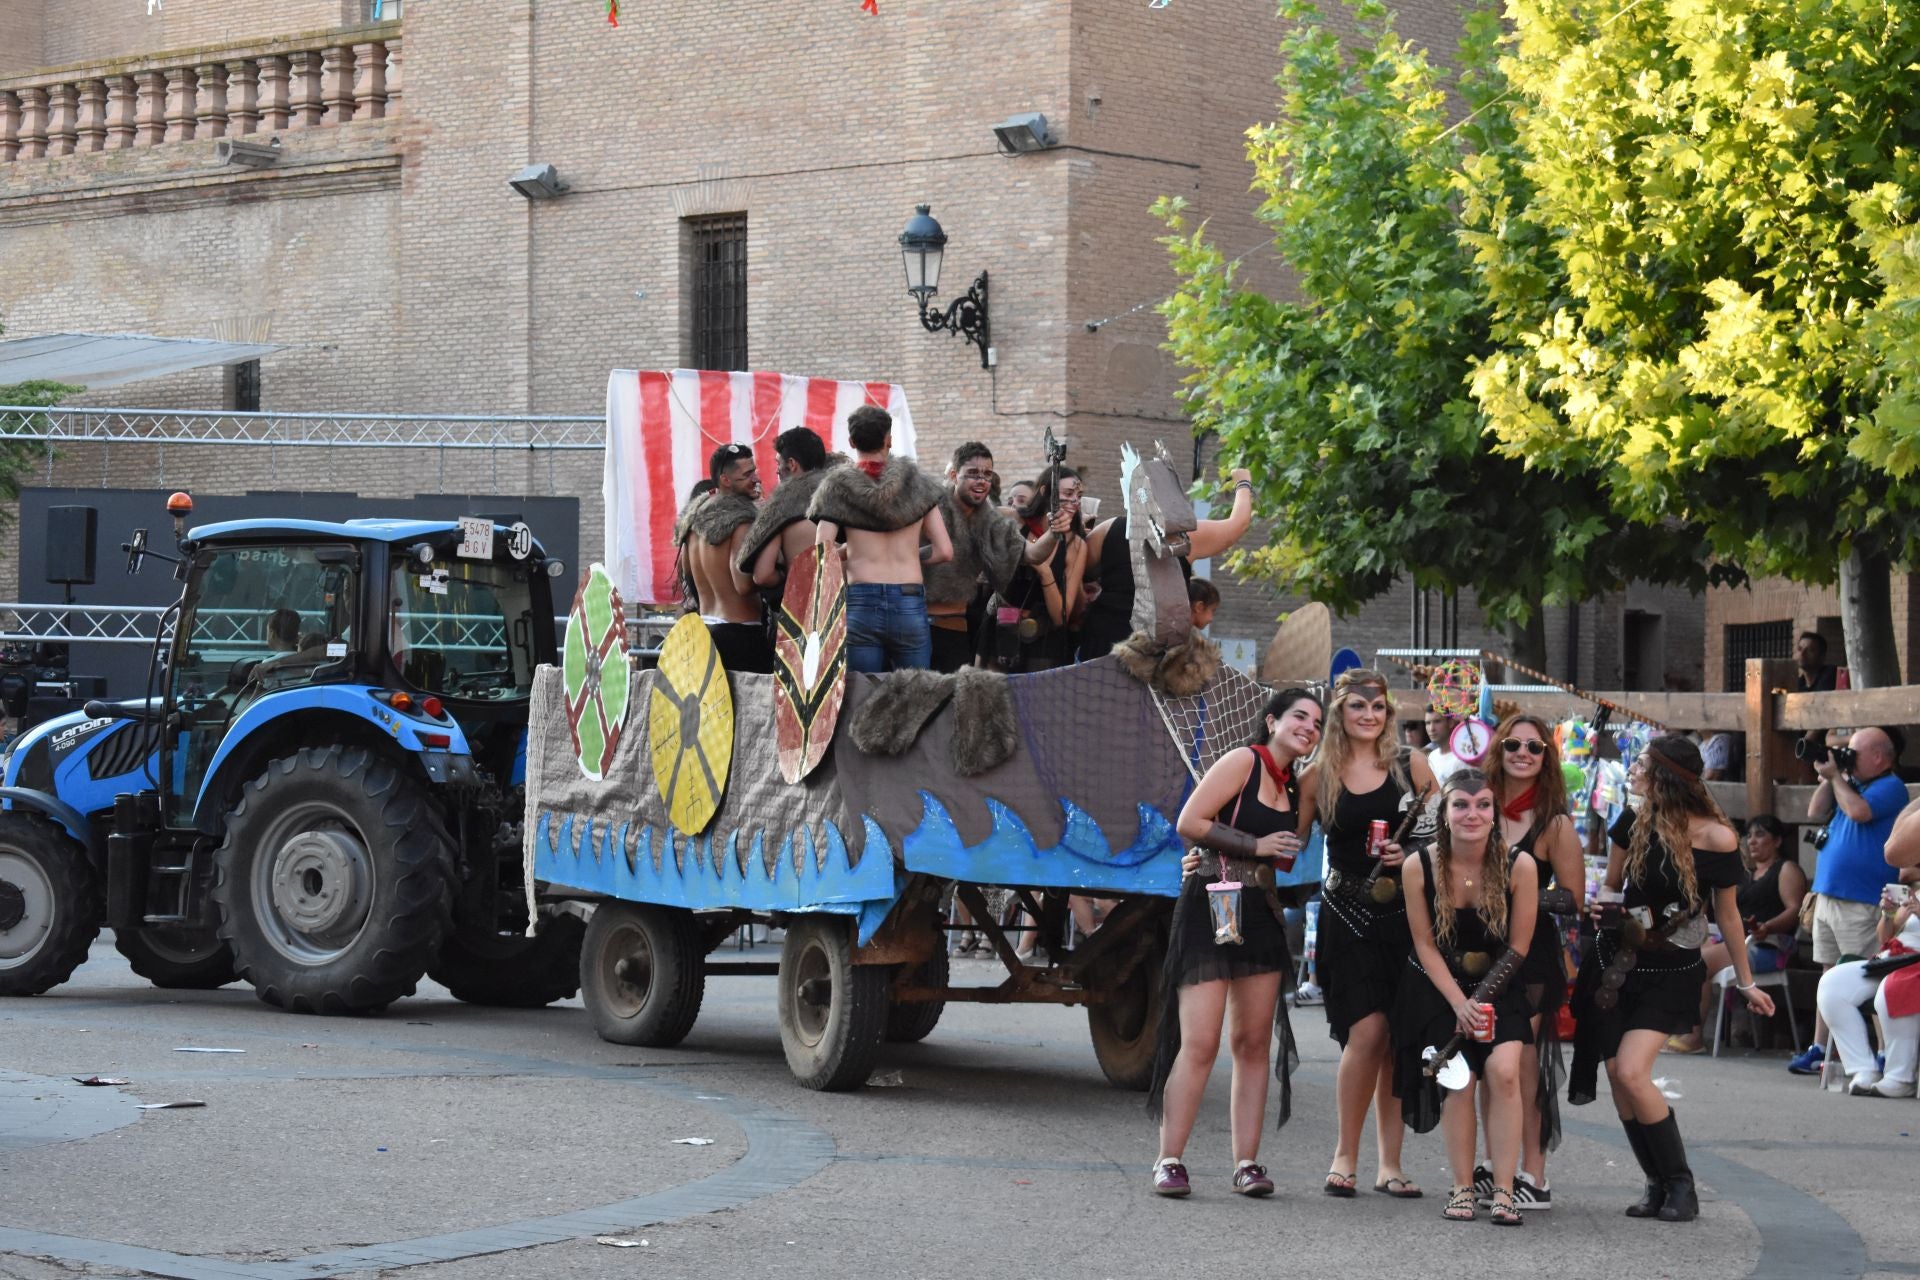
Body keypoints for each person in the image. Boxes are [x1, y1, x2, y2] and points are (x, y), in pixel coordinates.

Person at [1568, 735, 1774, 1223]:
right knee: (1619, 1075)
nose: (1632, 770)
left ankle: (1682, 1185)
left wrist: (1746, 982)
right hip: (1619, 963)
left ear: (1663, 774)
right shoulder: (1631, 821)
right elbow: (1614, 888)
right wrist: (1601, 904)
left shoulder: (1717, 837)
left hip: (1674, 969)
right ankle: (1656, 1182)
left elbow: (1728, 916)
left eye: (1639, 763)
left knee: (1634, 1071)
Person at [1150, 688, 1324, 1198]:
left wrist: (1278, 848)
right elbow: (1190, 821)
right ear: (1272, 720)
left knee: (1251, 1044)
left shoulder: (1295, 785)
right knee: (1199, 1042)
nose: (1308, 727)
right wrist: (1254, 845)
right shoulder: (1243, 761)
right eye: (1299, 716)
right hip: (1211, 904)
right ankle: (1169, 1159)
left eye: (1316, 722)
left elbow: (1287, 859)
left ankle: (1247, 1163)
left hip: (1261, 911)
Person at [1306, 668, 1435, 1201]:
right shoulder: (1319, 774)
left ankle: (1390, 1163)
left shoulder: (1411, 765)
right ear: (1340, 710)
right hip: (1347, 913)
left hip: (1404, 915)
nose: (1369, 715)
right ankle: (1344, 1154)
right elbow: (1284, 838)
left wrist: (1410, 853)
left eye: (1378, 707)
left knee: (1395, 1039)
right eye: (1358, 706)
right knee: (1367, 1034)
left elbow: (1450, 833)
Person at [1394, 770, 1538, 1226]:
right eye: (1461, 804)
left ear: (1495, 814)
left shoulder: (1520, 865)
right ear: (1445, 813)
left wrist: (1481, 1001)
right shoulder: (1418, 864)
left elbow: (1519, 946)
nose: (1472, 814)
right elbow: (1424, 944)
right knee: (1459, 1079)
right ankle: (1459, 1187)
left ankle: (1503, 1190)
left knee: (1504, 1073)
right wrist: (1460, 1004)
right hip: (1440, 988)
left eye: (1482, 805)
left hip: (1501, 982)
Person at [1471, 715, 1582, 1212]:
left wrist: (1521, 894)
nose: (1522, 753)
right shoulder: (1477, 806)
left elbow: (1573, 899)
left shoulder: (1554, 822)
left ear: (1546, 757)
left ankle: (1533, 1175)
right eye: (1513, 744)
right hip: (1476, 952)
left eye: (1534, 748)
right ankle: (1497, 1166)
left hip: (1531, 958)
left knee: (1522, 1065)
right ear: (1498, 748)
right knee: (1487, 1063)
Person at [1790, 726, 1908, 1075]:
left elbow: (1859, 813)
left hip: (1861, 899)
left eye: (1854, 753)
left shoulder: (1891, 786)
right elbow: (1814, 810)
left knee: (1869, 976)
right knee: (1828, 975)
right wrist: (1832, 775)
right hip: (1830, 895)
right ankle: (1819, 1048)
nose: (1848, 757)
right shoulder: (1849, 783)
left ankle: (1885, 1053)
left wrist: (1839, 779)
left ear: (1879, 757)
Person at [808, 405, 951, 673]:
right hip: (909, 599)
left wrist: (849, 552)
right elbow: (944, 551)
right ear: (889, 439)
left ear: (851, 442)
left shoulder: (836, 487)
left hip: (861, 601)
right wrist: (911, 554)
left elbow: (821, 553)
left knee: (863, 693)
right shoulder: (917, 484)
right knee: (915, 693)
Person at [1072, 467, 1254, 662]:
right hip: (1154, 654)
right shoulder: (1183, 537)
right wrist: (1243, 481)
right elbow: (1238, 524)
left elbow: (1076, 569)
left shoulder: (1110, 528)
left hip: (1102, 644)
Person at [1665, 814, 1806, 1054]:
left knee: (1699, 963)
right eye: (1748, 835)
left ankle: (1694, 1035)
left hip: (1768, 947)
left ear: (1777, 841)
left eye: (1760, 835)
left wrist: (1767, 927)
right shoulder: (1746, 874)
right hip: (1735, 942)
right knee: (1680, 954)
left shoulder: (1785, 869)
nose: (1752, 841)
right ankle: (1674, 1027)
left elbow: (1795, 909)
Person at [1813, 873, 1920, 1097]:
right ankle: (1863, 1068)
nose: (1901, 868)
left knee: (1889, 990)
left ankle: (1900, 1077)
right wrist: (1889, 913)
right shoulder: (1913, 892)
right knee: (1832, 984)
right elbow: (1884, 937)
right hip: (1892, 959)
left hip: (1914, 964)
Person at [925, 442, 1024, 673]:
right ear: (953, 475)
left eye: (987, 475)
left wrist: (1054, 530)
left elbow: (1031, 554)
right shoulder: (929, 508)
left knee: (954, 699)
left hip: (958, 627)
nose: (980, 481)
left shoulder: (991, 520)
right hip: (918, 626)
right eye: (972, 474)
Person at [676, 443, 771, 673]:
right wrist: (775, 577)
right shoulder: (742, 522)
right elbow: (742, 584)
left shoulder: (693, 524)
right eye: (747, 474)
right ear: (725, 480)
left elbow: (686, 575)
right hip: (741, 635)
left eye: (754, 470)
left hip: (706, 629)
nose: (756, 478)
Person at [991, 468, 1087, 671]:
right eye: (1068, 494)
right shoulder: (1012, 519)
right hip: (1000, 631)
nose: (1075, 502)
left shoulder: (1076, 545)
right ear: (1045, 492)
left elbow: (1061, 616)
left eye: (1079, 496)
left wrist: (1045, 572)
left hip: (1042, 642)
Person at [739, 427, 838, 594]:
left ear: (792, 464)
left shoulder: (780, 507)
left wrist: (787, 576)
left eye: (778, 463)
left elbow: (763, 575)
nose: (777, 470)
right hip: (848, 604)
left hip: (804, 604)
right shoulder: (844, 496)